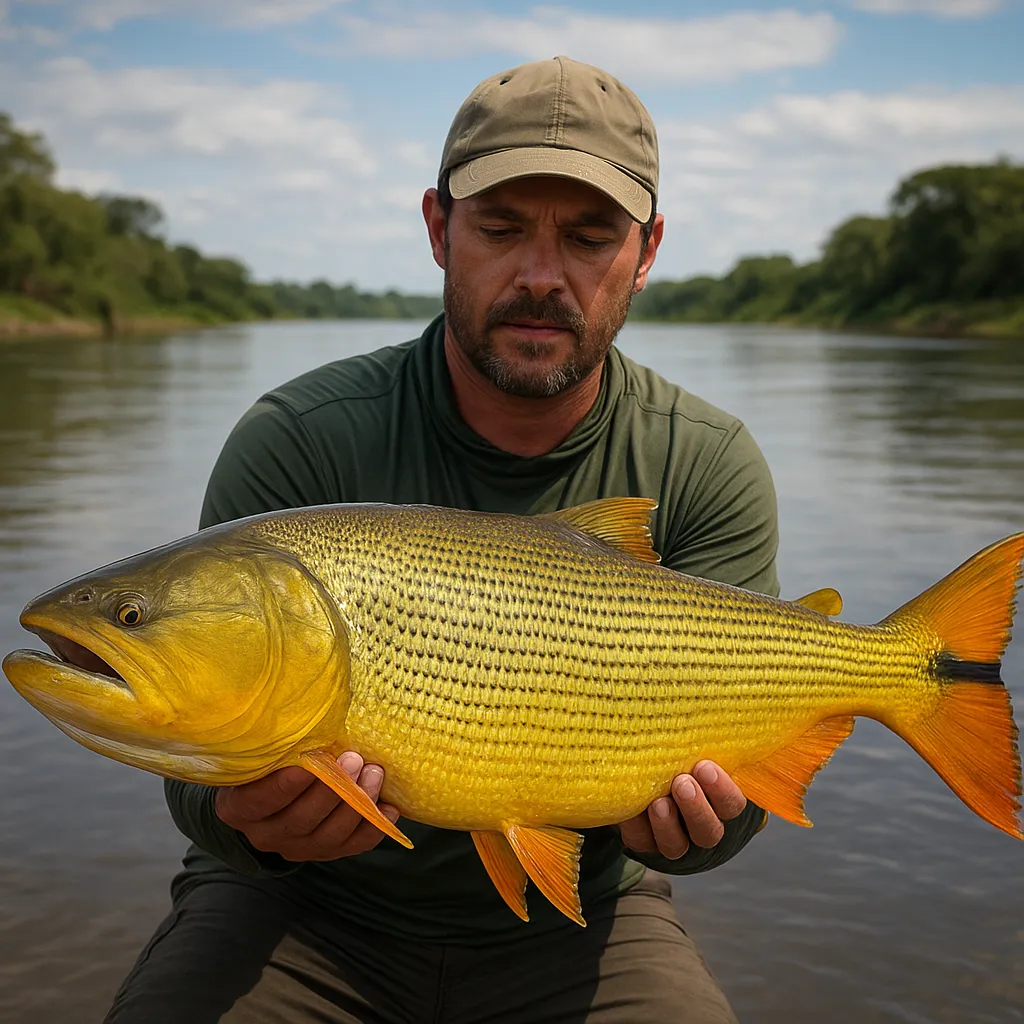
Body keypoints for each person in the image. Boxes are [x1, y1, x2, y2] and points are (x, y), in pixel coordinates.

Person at [106, 56, 779, 1024]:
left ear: (645, 251)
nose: (542, 277)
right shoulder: (300, 436)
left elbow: (734, 811)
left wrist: (700, 832)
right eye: (500, 229)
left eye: (589, 238)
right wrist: (243, 820)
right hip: (300, 908)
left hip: (582, 916)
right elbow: (194, 768)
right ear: (438, 229)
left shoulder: (704, 463)